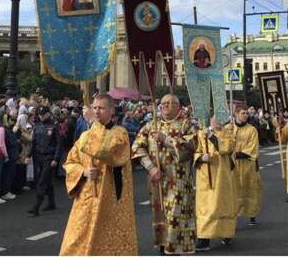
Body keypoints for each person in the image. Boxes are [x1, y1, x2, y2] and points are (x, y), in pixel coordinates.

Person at [59, 94, 138, 255]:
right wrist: (83, 172)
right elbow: (70, 162)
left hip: (109, 199)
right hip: (86, 199)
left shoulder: (120, 133)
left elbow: (104, 151)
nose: (96, 111)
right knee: (77, 239)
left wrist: (91, 123)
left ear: (111, 110)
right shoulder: (85, 136)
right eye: (94, 107)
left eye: (101, 108)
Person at [132, 94, 196, 255]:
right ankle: (162, 246)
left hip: (178, 180)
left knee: (175, 215)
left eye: (169, 103)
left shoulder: (186, 125)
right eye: (163, 103)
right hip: (157, 180)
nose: (165, 105)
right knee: (159, 214)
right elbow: (137, 148)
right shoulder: (151, 125)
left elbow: (190, 147)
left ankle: (174, 249)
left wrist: (166, 139)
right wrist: (151, 167)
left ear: (178, 107)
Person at [194, 117, 238, 252]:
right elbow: (195, 151)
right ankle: (203, 238)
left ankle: (226, 232)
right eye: (215, 119)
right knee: (205, 207)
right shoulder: (200, 133)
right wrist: (201, 157)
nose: (218, 121)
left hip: (222, 176)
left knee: (221, 205)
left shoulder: (227, 133)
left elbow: (227, 148)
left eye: (220, 119)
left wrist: (212, 135)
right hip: (205, 176)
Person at [229, 105, 262, 226]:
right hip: (233, 166)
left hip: (248, 164)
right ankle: (232, 216)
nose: (246, 115)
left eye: (247, 113)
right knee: (234, 190)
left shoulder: (252, 129)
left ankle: (252, 214)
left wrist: (236, 154)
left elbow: (252, 148)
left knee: (251, 189)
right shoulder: (230, 128)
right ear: (236, 114)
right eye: (243, 113)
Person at [27, 106, 61, 216]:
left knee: (42, 181)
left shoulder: (54, 125)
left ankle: (36, 206)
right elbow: (34, 142)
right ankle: (51, 203)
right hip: (39, 156)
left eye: (43, 114)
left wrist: (56, 158)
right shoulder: (37, 125)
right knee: (47, 180)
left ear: (48, 114)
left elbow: (58, 144)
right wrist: (29, 155)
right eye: (40, 115)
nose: (41, 117)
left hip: (49, 157)